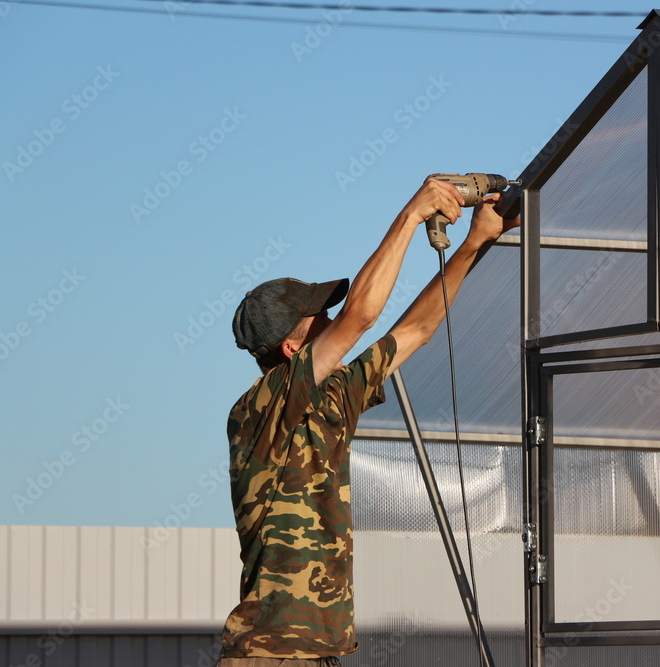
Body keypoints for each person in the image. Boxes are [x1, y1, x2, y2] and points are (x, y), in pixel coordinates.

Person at [216, 177, 520, 666]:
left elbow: (417, 330)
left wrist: (475, 244)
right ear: (294, 350)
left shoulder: (332, 397)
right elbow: (360, 316)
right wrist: (411, 215)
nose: (332, 322)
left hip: (319, 653)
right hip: (267, 655)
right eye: (320, 321)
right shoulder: (260, 408)